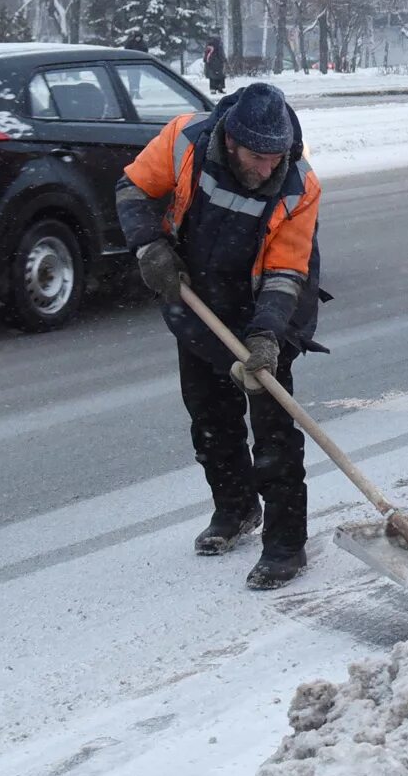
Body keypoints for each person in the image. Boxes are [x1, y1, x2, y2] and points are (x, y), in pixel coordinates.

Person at [116, 82, 323, 590]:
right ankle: (234, 510)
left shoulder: (299, 185)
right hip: (199, 299)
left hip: (272, 303)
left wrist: (266, 340)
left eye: (277, 157)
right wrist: (150, 249)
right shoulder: (183, 140)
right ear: (231, 141)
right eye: (258, 157)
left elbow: (284, 274)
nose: (268, 168)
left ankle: (285, 545)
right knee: (210, 418)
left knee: (274, 429)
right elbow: (131, 190)